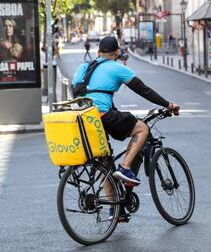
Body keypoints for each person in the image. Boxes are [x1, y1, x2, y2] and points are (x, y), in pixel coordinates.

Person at [72, 36, 180, 185]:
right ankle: (125, 167)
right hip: (101, 115)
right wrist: (168, 105)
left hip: (81, 117)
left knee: (106, 161)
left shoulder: (83, 67)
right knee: (142, 128)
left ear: (98, 52)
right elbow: (143, 90)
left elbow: (76, 92)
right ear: (117, 53)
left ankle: (115, 208)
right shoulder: (118, 68)